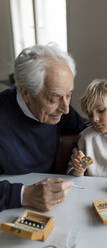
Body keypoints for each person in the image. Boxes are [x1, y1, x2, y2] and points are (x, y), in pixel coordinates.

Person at [0, 43, 88, 212]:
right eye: (54, 98)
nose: (66, 109)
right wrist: (23, 195)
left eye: (69, 95)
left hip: (54, 204)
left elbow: (86, 126)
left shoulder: (59, 110)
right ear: (26, 93)